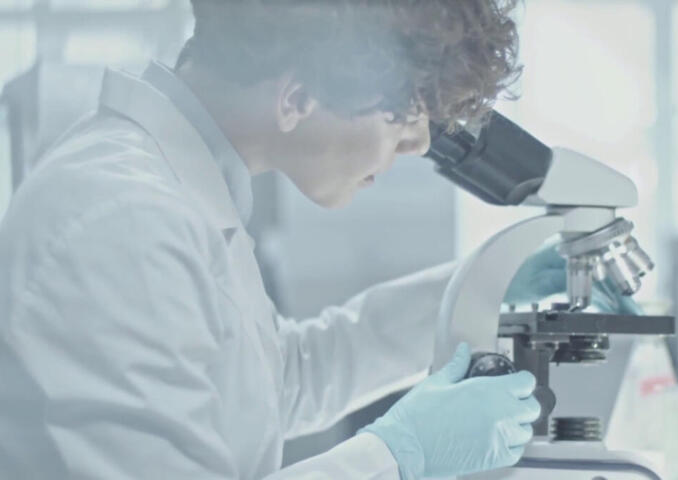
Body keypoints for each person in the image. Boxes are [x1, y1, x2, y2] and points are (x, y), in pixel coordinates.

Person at [0, 1, 638, 479]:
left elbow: (279, 380)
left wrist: (486, 282)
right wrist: (399, 455)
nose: (419, 142)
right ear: (297, 96)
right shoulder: (125, 220)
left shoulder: (180, 190)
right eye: (406, 109)